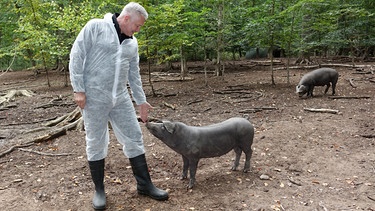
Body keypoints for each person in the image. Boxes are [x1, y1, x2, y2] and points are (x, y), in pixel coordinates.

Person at [69, 2, 168, 210]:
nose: (138, 30)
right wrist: (78, 89)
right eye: (137, 25)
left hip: (120, 98)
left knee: (134, 136)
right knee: (96, 141)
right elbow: (76, 55)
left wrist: (140, 101)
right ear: (125, 19)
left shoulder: (132, 43)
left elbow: (134, 74)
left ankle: (144, 184)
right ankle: (99, 190)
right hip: (94, 97)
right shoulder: (96, 27)